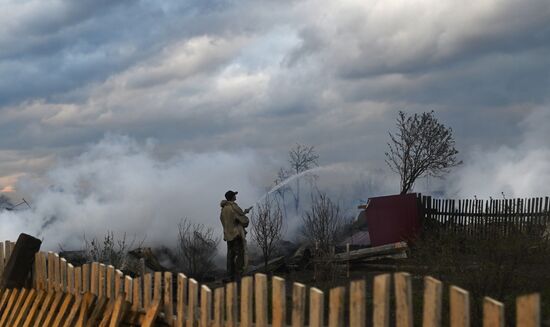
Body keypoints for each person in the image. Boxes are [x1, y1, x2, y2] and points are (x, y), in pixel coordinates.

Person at [220, 190, 252, 280]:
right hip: (236, 235)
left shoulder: (224, 209)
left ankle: (230, 276)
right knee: (240, 256)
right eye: (234, 195)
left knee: (230, 256)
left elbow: (230, 219)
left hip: (228, 236)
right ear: (231, 197)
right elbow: (244, 221)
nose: (235, 196)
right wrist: (244, 217)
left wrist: (244, 212)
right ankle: (239, 276)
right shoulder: (234, 207)